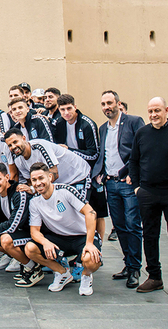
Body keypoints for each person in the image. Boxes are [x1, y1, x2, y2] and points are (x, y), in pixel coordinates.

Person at [129, 97, 168, 297]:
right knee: (150, 236)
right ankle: (154, 276)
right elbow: (134, 161)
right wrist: (137, 188)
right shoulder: (142, 133)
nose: (153, 115)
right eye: (150, 111)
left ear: (166, 110)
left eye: (157, 110)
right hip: (148, 193)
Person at [92, 90, 145, 288]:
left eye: (110, 103)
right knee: (120, 226)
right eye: (103, 104)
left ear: (118, 103)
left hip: (128, 183)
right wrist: (100, 174)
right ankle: (128, 263)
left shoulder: (133, 122)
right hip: (111, 183)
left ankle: (135, 268)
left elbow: (142, 149)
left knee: (133, 225)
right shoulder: (103, 128)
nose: (107, 107)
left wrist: (133, 172)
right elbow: (104, 154)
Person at [25, 163, 102, 295]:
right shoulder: (34, 201)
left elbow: (90, 212)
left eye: (41, 178)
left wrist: (89, 243)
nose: (38, 183)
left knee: (91, 259)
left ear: (50, 177)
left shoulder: (65, 191)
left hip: (82, 236)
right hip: (59, 238)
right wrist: (45, 242)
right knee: (30, 249)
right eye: (34, 180)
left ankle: (86, 276)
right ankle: (62, 273)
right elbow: (34, 231)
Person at [0, 163, 42, 286]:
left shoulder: (19, 193)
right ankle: (23, 262)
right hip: (18, 232)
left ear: (7, 177)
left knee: (5, 240)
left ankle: (32, 268)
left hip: (34, 234)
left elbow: (14, 225)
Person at [54, 94, 105, 238]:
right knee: (77, 211)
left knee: (98, 211)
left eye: (69, 108)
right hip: (71, 174)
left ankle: (99, 243)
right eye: (62, 109)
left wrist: (69, 151)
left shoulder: (87, 124)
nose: (66, 112)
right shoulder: (59, 123)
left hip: (91, 173)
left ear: (75, 107)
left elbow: (94, 154)